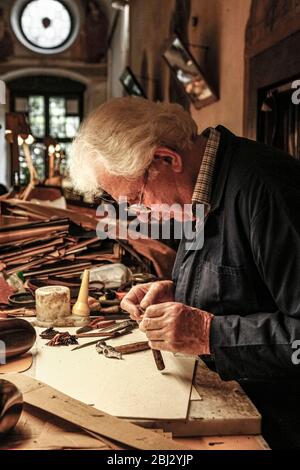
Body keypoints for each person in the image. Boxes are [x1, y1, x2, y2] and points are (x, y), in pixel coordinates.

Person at [69, 97, 300, 449]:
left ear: (166, 159)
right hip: (233, 400)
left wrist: (209, 334)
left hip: (281, 422)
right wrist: (178, 292)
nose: (138, 214)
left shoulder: (268, 190)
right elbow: (244, 280)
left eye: (135, 200)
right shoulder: (195, 190)